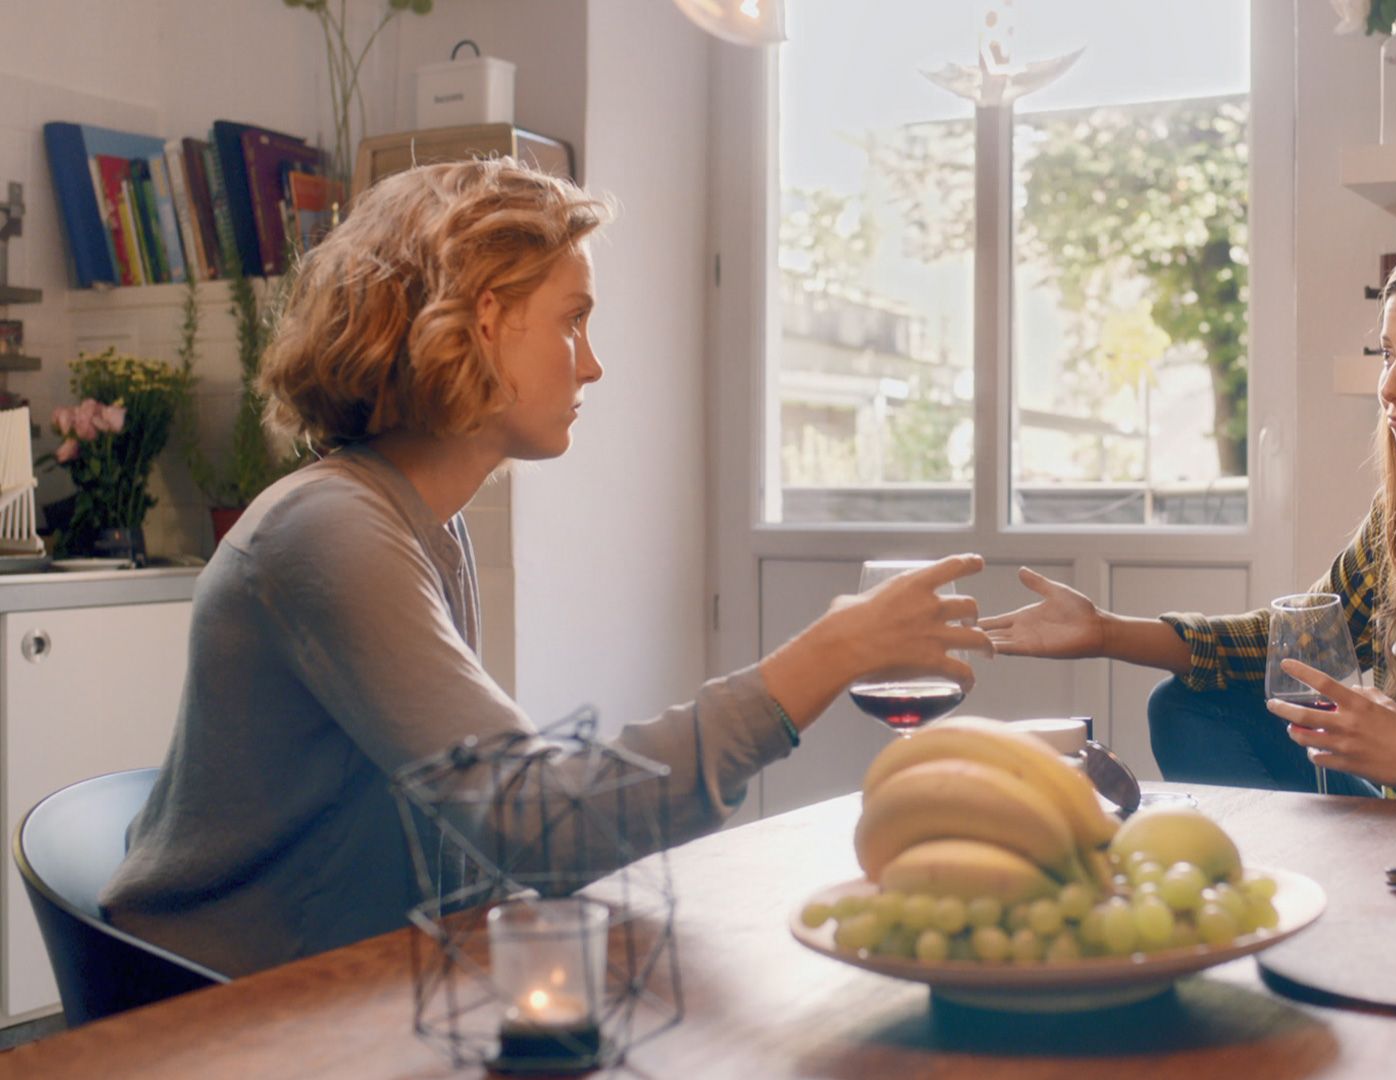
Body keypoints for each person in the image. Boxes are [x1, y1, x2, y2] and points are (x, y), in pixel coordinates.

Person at [102, 158, 990, 977]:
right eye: (574, 320)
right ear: (482, 320)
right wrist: (825, 655)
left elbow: (487, 822)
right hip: (220, 1014)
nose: (593, 365)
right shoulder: (332, 530)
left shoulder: (419, 525)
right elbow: (536, 827)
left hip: (357, 972)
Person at [981, 232, 1396, 811]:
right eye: (1388, 353)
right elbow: (1289, 649)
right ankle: (1306, 883)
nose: (1391, 386)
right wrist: (1104, 631)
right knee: (1188, 706)